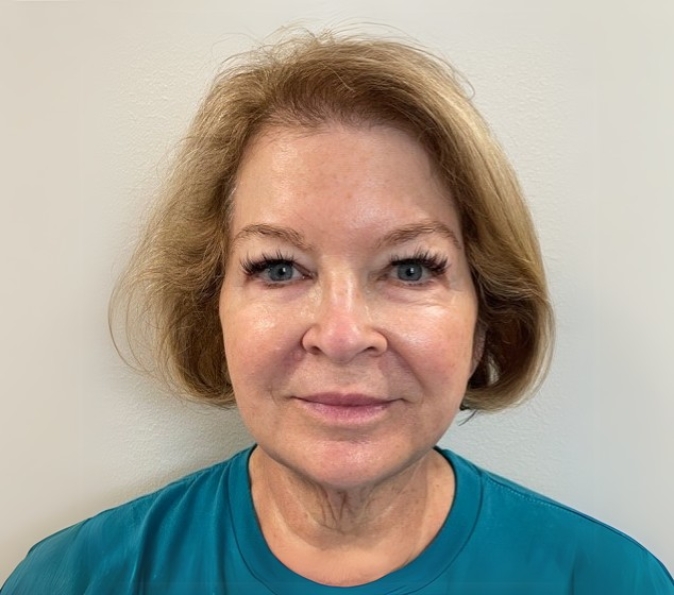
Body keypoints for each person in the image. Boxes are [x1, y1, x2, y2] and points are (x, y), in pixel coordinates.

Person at [2, 30, 672, 594]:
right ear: (213, 311)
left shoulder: (610, 582)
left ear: (485, 319)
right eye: (279, 267)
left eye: (410, 268)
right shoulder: (75, 580)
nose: (343, 335)